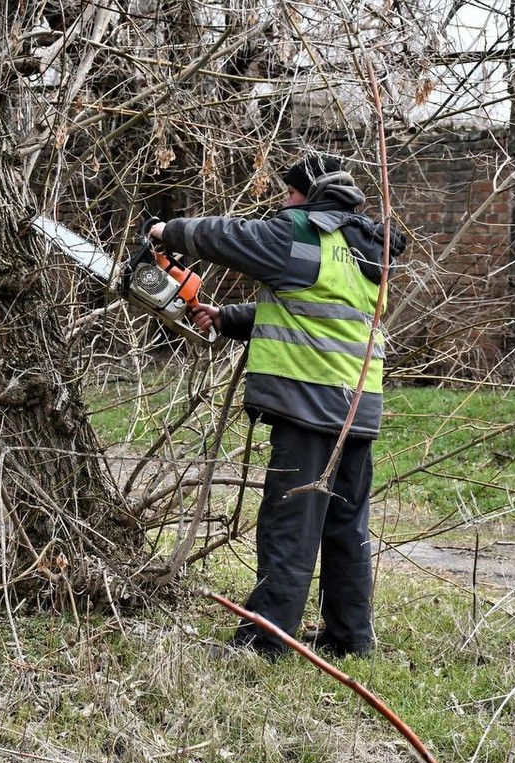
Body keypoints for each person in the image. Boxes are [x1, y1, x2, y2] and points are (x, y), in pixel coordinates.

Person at [148, 152, 406, 659]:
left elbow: (228, 237)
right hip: (357, 405)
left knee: (290, 523)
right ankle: (350, 638)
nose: (285, 203)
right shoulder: (364, 248)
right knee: (345, 526)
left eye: (290, 193)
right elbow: (315, 309)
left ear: (310, 195)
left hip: (309, 403)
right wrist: (228, 318)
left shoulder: (301, 232)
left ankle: (265, 643)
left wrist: (166, 231)